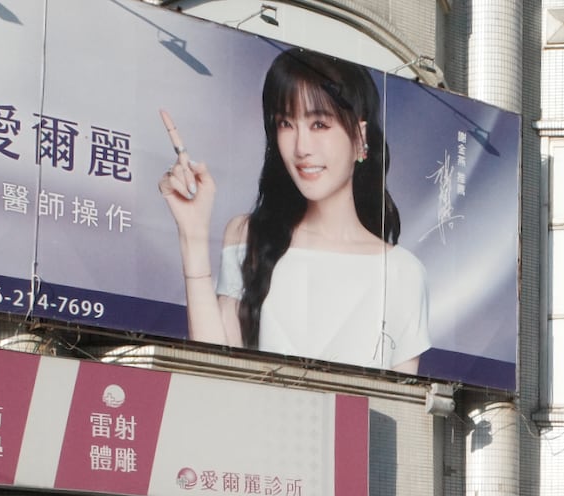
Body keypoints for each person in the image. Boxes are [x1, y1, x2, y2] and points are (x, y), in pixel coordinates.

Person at [158, 47, 429, 373]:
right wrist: (193, 233)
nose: (301, 148)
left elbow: (401, 414)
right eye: (286, 123)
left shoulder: (403, 272)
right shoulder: (249, 236)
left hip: (354, 425)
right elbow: (216, 372)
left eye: (319, 124)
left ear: (360, 138)